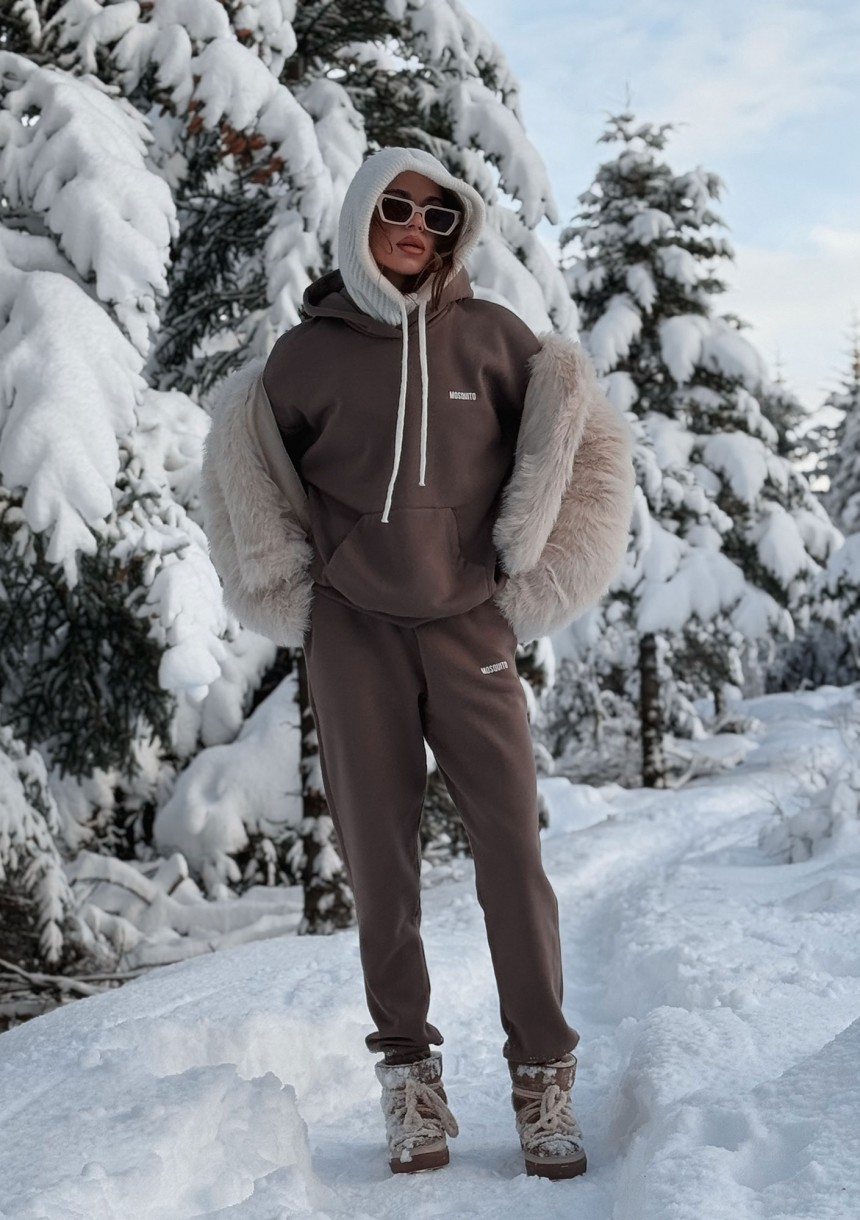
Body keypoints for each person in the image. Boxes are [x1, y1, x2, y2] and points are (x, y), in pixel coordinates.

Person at [201, 146, 634, 1179]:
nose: (414, 227)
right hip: (353, 635)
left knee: (511, 854)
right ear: (362, 214)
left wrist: (524, 584)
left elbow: (576, 448)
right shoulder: (304, 359)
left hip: (469, 627)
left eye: (438, 216)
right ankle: (408, 1078)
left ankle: (542, 1077)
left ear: (456, 232)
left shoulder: (495, 338)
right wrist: (300, 595)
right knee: (381, 865)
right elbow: (246, 470)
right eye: (396, 207)